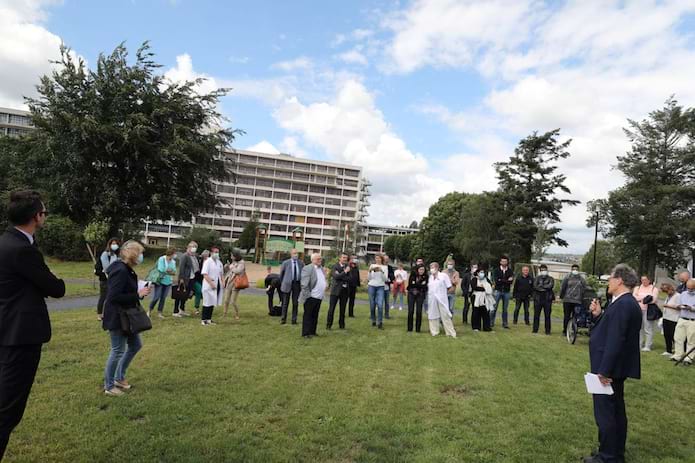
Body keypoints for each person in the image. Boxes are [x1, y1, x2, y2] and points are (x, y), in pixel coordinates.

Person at [0, 191, 65, 459]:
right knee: (7, 411)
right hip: (20, 337)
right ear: (36, 217)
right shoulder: (24, 251)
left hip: (5, 329)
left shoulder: (5, 242)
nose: (45, 217)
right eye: (44, 212)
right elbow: (56, 287)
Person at [584, 264, 641, 463]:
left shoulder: (624, 304)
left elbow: (616, 340)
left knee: (606, 414)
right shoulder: (624, 303)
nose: (608, 282)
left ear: (619, 280)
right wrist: (599, 314)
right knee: (616, 412)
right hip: (615, 367)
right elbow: (612, 331)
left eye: (610, 278)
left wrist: (604, 371)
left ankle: (607, 457)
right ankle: (613, 452)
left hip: (609, 369)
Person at [102, 240, 151, 396]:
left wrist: (139, 290)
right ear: (133, 254)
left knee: (135, 345)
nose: (142, 256)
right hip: (118, 317)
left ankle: (119, 377)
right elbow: (113, 297)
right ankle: (109, 386)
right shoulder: (121, 270)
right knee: (117, 350)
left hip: (127, 315)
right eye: (140, 253)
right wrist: (138, 294)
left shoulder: (126, 269)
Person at [300, 253, 326, 338]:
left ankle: (312, 331)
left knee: (315, 315)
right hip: (310, 296)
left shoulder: (321, 268)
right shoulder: (308, 268)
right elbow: (304, 284)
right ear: (313, 260)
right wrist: (308, 296)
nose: (320, 260)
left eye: (320, 259)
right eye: (318, 259)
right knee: (308, 315)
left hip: (319, 296)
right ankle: (305, 333)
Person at [427, 263, 456, 337]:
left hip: (442, 299)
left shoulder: (443, 276)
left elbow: (449, 287)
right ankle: (434, 331)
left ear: (437, 268)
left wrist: (443, 294)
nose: (432, 269)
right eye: (430, 267)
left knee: (445, 315)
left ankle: (450, 332)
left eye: (433, 267)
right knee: (433, 315)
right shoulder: (430, 277)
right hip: (432, 298)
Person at [632, 275, 659, 352]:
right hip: (638, 309)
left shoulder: (654, 289)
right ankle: (639, 344)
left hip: (648, 310)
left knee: (648, 328)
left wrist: (640, 298)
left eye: (645, 280)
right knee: (639, 328)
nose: (643, 281)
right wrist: (645, 298)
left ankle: (648, 345)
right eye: (642, 280)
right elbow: (634, 297)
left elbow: (653, 300)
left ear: (649, 280)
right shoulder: (637, 288)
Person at [148, 247, 177, 319]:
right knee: (156, 297)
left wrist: (169, 271)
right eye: (174, 254)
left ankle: (160, 312)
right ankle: (149, 310)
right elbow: (161, 269)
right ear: (171, 254)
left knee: (163, 298)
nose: (175, 255)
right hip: (160, 281)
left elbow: (174, 271)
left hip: (168, 282)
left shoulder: (173, 262)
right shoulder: (162, 259)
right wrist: (169, 271)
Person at [672, 279, 695, 365]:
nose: (689, 290)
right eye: (688, 288)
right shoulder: (683, 294)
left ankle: (689, 358)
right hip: (682, 318)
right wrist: (679, 306)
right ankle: (678, 355)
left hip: (692, 320)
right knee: (678, 337)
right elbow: (677, 304)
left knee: (691, 339)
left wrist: (691, 308)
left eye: (691, 288)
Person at [96, 237, 120, 321]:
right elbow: (100, 268)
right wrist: (104, 273)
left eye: (116, 244)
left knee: (112, 297)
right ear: (109, 245)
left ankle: (109, 313)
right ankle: (99, 314)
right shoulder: (105, 255)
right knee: (103, 297)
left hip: (114, 279)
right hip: (104, 279)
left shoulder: (117, 256)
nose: (114, 245)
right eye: (113, 244)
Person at [173, 241, 198, 318]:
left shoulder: (193, 256)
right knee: (179, 294)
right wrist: (181, 278)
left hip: (191, 278)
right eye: (193, 247)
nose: (194, 248)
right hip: (184, 278)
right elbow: (181, 268)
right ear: (188, 247)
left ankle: (182, 309)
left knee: (185, 295)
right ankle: (175, 311)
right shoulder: (185, 256)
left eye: (195, 247)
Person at [560, 264, 587, 336]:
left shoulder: (581, 279)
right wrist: (562, 296)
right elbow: (563, 287)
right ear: (571, 270)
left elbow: (585, 288)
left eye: (576, 269)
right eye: (573, 269)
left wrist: (582, 297)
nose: (575, 270)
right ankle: (565, 330)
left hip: (577, 301)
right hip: (567, 300)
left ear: (578, 270)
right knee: (566, 316)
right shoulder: (567, 277)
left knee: (575, 316)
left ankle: (573, 330)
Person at [279, 249, 303, 325]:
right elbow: (281, 274)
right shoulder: (285, 263)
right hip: (287, 284)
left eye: (297, 253)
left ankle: (294, 320)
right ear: (291, 254)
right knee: (285, 302)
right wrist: (283, 283)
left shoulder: (301, 263)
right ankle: (283, 319)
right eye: (294, 253)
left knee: (295, 303)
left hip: (297, 284)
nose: (296, 255)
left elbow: (303, 273)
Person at [326, 253, 350, 330]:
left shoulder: (348, 267)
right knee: (332, 308)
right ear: (339, 258)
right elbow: (336, 276)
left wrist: (342, 276)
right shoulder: (335, 266)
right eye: (343, 257)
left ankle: (342, 325)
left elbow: (350, 278)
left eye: (346, 258)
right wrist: (345, 272)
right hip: (335, 291)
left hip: (345, 291)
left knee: (343, 309)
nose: (345, 259)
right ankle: (329, 325)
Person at [201, 246, 224, 325]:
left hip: (217, 284)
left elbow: (221, 273)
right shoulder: (208, 262)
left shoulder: (219, 262)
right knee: (207, 302)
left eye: (217, 252)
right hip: (208, 285)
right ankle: (204, 320)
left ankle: (209, 319)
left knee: (212, 302)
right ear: (211, 253)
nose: (216, 254)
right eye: (215, 252)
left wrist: (223, 282)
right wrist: (211, 283)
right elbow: (205, 274)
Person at [491, 255, 514, 329]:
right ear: (500, 262)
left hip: (506, 292)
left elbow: (511, 282)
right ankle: (491, 322)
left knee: (505, 309)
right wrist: (506, 280)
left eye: (505, 261)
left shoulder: (510, 271)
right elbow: (497, 281)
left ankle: (505, 323)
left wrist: (502, 280)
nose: (504, 262)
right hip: (498, 291)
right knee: (494, 307)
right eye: (502, 261)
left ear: (507, 262)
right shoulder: (496, 270)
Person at [660, 280, 680, 356]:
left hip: (674, 318)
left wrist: (668, 306)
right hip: (666, 317)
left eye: (667, 291)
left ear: (671, 289)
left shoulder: (678, 296)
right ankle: (668, 350)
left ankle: (677, 350)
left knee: (673, 335)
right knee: (666, 334)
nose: (667, 293)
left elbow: (679, 307)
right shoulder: (668, 296)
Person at [532, 264, 555, 335]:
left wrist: (541, 286)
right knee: (536, 315)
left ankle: (548, 331)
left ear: (547, 270)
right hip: (538, 299)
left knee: (547, 316)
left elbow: (550, 286)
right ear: (540, 271)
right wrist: (544, 288)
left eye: (544, 270)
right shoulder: (537, 278)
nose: (543, 271)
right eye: (542, 270)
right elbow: (535, 286)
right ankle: (535, 330)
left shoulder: (551, 278)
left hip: (547, 299)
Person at [223, 251, 245, 320]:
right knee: (226, 300)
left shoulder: (242, 263)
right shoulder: (233, 262)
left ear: (236, 256)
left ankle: (236, 314)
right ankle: (224, 313)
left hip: (236, 283)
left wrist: (230, 267)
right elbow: (229, 271)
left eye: (232, 256)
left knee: (233, 301)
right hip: (229, 282)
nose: (231, 257)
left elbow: (238, 271)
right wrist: (226, 267)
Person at [368, 254, 388, 329]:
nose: (378, 259)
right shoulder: (372, 265)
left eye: (379, 258)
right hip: (372, 286)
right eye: (376, 258)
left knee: (380, 304)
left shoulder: (385, 267)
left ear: (381, 259)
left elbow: (385, 279)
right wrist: (370, 271)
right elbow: (369, 278)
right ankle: (373, 319)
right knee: (372, 305)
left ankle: (380, 322)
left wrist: (381, 271)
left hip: (380, 286)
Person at [471, 266, 493, 332]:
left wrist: (483, 288)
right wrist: (483, 288)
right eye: (480, 272)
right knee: (476, 312)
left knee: (485, 313)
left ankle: (487, 327)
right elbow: (474, 287)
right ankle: (476, 327)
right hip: (476, 297)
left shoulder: (486, 279)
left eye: (483, 272)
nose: (482, 273)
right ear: (477, 273)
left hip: (485, 298)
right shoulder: (474, 279)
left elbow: (490, 286)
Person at [407, 264, 428, 332]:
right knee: (411, 311)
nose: (421, 271)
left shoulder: (426, 276)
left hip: (420, 294)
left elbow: (424, 286)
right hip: (411, 293)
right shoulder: (413, 275)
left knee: (419, 311)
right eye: (420, 269)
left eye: (423, 270)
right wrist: (419, 285)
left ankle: (418, 329)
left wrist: (417, 285)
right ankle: (409, 328)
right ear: (417, 270)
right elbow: (410, 284)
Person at [192, 250, 208, 315]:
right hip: (197, 279)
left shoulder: (210, 262)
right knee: (199, 290)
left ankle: (206, 308)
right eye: (205, 256)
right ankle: (196, 308)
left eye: (207, 256)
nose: (206, 257)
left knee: (205, 294)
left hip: (205, 280)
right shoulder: (198, 261)